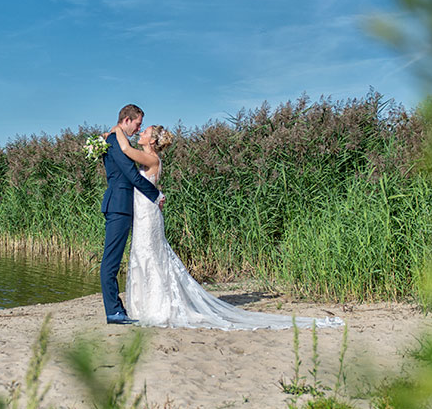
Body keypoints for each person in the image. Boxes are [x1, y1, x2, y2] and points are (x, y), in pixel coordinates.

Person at [108, 122, 343, 330]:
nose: (141, 132)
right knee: (142, 255)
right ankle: (143, 307)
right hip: (143, 213)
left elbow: (126, 150)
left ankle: (157, 308)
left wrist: (117, 130)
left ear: (152, 140)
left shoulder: (151, 158)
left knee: (150, 256)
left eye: (145, 131)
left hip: (148, 216)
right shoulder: (147, 155)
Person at [100, 104, 163, 325]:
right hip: (118, 205)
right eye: (137, 124)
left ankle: (119, 310)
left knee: (115, 260)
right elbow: (132, 176)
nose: (138, 129)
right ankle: (114, 312)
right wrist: (156, 195)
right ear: (127, 120)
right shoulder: (115, 141)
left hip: (124, 206)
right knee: (111, 262)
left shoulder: (117, 139)